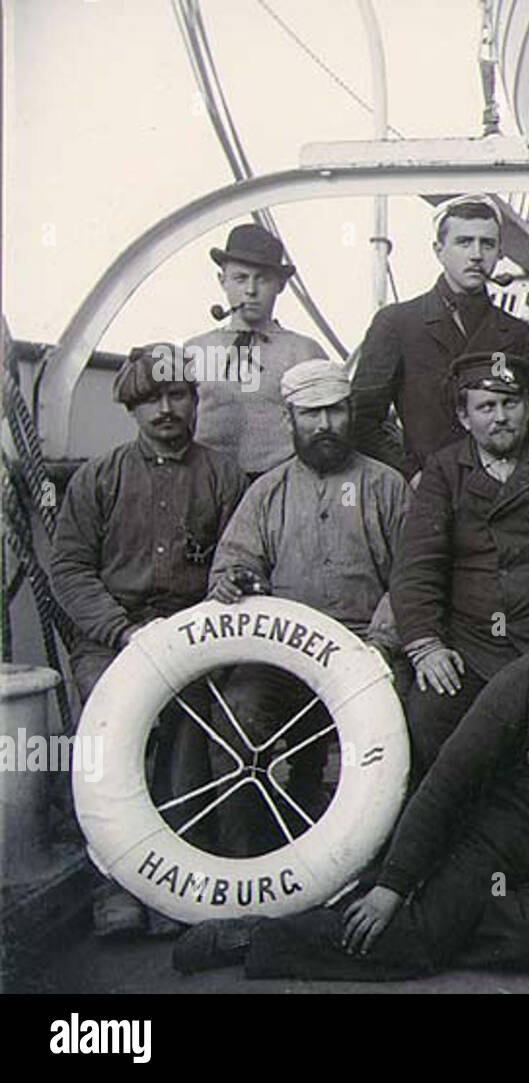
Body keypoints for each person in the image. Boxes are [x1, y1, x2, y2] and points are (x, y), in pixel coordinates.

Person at [172, 538, 529, 979]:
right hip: (502, 837)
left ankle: (432, 919)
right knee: (418, 938)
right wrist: (393, 887)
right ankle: (252, 937)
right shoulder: (523, 679)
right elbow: (449, 781)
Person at [51, 344, 247, 936]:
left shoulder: (224, 475)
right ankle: (113, 882)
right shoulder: (98, 478)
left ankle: (172, 879)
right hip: (112, 636)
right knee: (110, 726)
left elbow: (240, 558)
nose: (165, 408)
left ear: (193, 400)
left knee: (192, 719)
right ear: (131, 408)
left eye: (177, 395)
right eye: (150, 399)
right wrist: (120, 629)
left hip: (193, 634)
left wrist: (233, 584)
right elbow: (69, 571)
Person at [208, 359, 410, 856]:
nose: (324, 426)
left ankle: (377, 863)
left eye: (335, 412)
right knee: (236, 713)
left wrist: (380, 645)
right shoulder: (266, 493)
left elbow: (413, 581)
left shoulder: (388, 487)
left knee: (407, 726)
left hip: (368, 654)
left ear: (350, 412)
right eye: (310, 414)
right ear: (289, 420)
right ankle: (246, 863)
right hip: (283, 659)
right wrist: (233, 582)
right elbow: (229, 566)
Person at [392, 351, 529, 774]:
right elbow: (417, 565)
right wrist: (427, 647)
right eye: (486, 407)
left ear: (528, 406)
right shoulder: (444, 470)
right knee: (430, 719)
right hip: (471, 647)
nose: (500, 417)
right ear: (464, 417)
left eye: (511, 403)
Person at [351, 194, 529, 476]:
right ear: (438, 250)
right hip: (427, 491)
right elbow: (362, 417)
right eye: (464, 242)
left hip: (500, 495)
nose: (476, 254)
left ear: (500, 253)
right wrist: (410, 473)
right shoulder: (398, 323)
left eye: (487, 244)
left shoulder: (515, 333)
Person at [185, 224, 329, 481]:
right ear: (222, 280)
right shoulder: (195, 351)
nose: (250, 290)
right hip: (206, 485)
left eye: (262, 279)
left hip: (282, 485)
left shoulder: (305, 352)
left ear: (281, 284)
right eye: (240, 278)